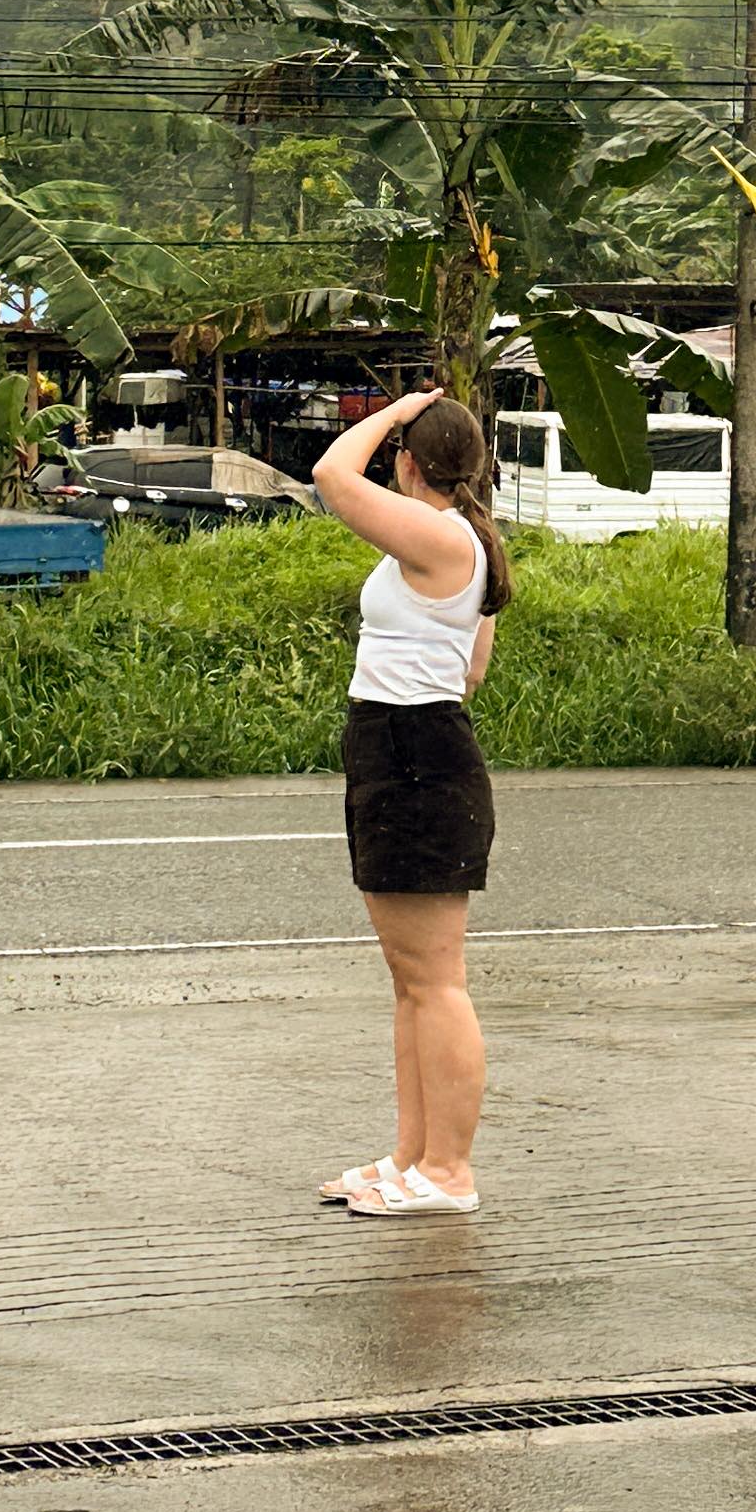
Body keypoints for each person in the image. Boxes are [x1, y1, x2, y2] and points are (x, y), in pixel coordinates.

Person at [309, 385, 509, 1217]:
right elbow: (471, 667)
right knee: (411, 981)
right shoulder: (457, 543)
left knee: (437, 980)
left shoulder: (439, 534)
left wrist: (393, 411)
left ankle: (450, 1174)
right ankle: (412, 1157)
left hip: (419, 753)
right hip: (401, 745)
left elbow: (328, 472)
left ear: (410, 460)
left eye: (397, 446)